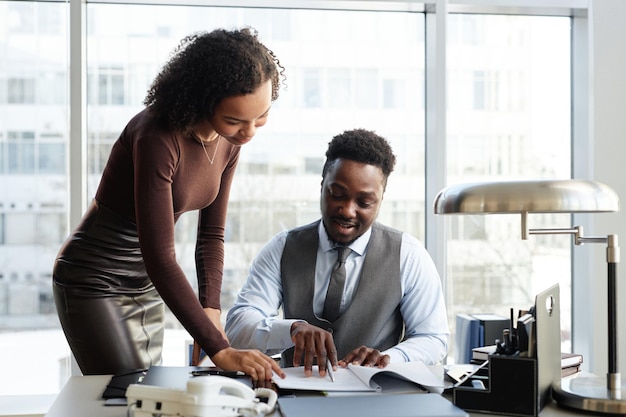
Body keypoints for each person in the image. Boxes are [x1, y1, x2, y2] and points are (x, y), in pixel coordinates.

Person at [52, 27, 286, 381]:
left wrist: (210, 309)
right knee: (127, 397)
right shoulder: (156, 137)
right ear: (202, 99)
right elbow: (160, 256)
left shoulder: (230, 142)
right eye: (235, 120)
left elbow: (211, 235)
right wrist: (219, 349)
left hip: (148, 284)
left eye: (261, 117)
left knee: (151, 396)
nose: (249, 131)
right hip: (95, 281)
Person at [225, 129, 449, 378]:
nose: (348, 211)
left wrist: (388, 359)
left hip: (378, 399)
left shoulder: (409, 255)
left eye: (364, 202)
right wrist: (291, 329)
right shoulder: (282, 248)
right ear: (322, 185)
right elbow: (238, 326)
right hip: (297, 400)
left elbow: (433, 338)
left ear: (381, 199)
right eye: (337, 195)